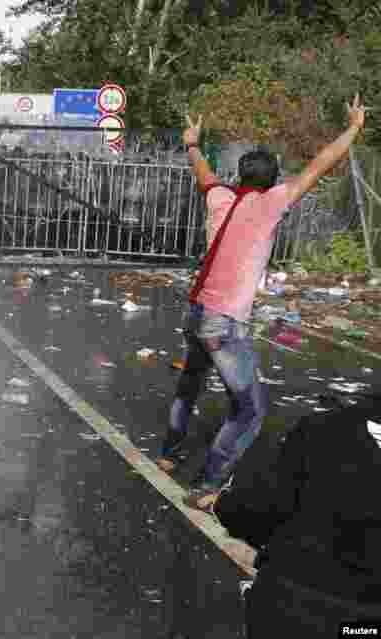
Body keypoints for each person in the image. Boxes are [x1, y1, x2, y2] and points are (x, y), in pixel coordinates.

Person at [155, 94, 369, 513]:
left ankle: (168, 452)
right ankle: (209, 484)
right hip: (224, 321)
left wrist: (192, 141)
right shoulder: (272, 203)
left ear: (239, 175)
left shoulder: (219, 197)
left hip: (196, 309)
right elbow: (319, 164)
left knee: (189, 384)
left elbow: (202, 172)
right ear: (272, 181)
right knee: (250, 409)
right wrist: (354, 128)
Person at [213, 398, 381, 637]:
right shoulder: (327, 427)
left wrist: (224, 503)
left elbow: (255, 514)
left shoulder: (326, 427)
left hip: (298, 604)